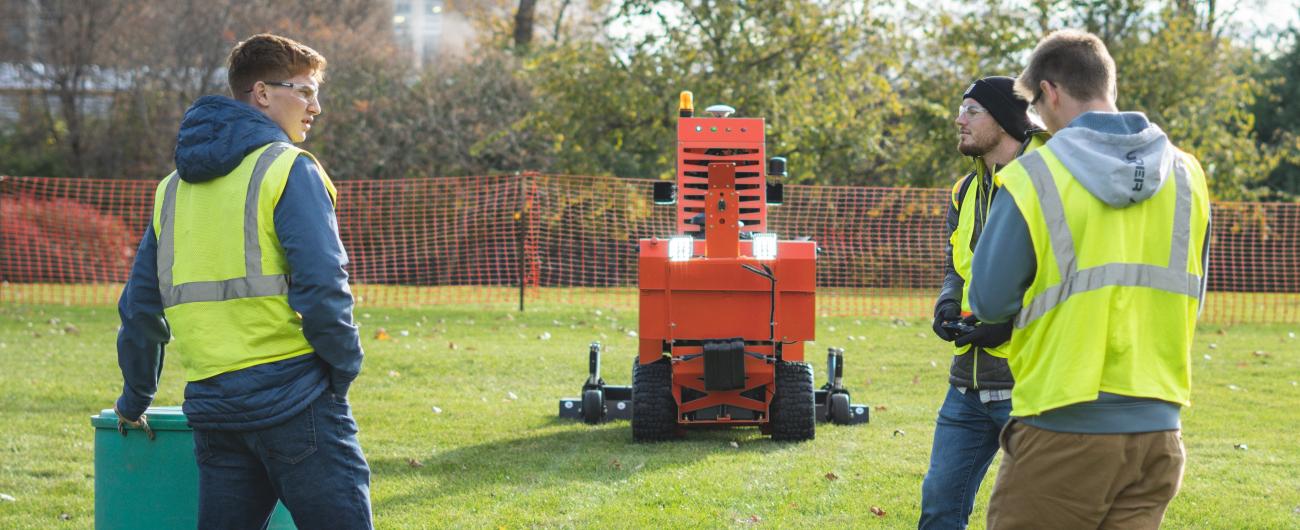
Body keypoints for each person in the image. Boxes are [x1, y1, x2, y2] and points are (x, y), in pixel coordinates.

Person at [113, 34, 372, 529]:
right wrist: (342, 369)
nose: (315, 105)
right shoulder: (289, 169)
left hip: (215, 411)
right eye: (304, 90)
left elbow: (140, 310)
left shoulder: (171, 191)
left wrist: (135, 397)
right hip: (296, 399)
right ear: (261, 93)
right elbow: (322, 286)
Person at [969, 29, 1210, 529]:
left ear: (1050, 92)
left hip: (1063, 422)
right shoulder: (1187, 175)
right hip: (1158, 431)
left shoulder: (1036, 176)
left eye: (1035, 104)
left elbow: (988, 302)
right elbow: (1191, 295)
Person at [921, 76, 1047, 530]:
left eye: (972, 110)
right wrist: (947, 303)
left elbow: (1064, 279)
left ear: (1006, 120)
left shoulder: (1046, 187)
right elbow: (958, 264)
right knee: (938, 508)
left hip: (1029, 389)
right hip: (966, 389)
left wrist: (1008, 325)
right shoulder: (963, 191)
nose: (959, 119)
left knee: (1029, 518)